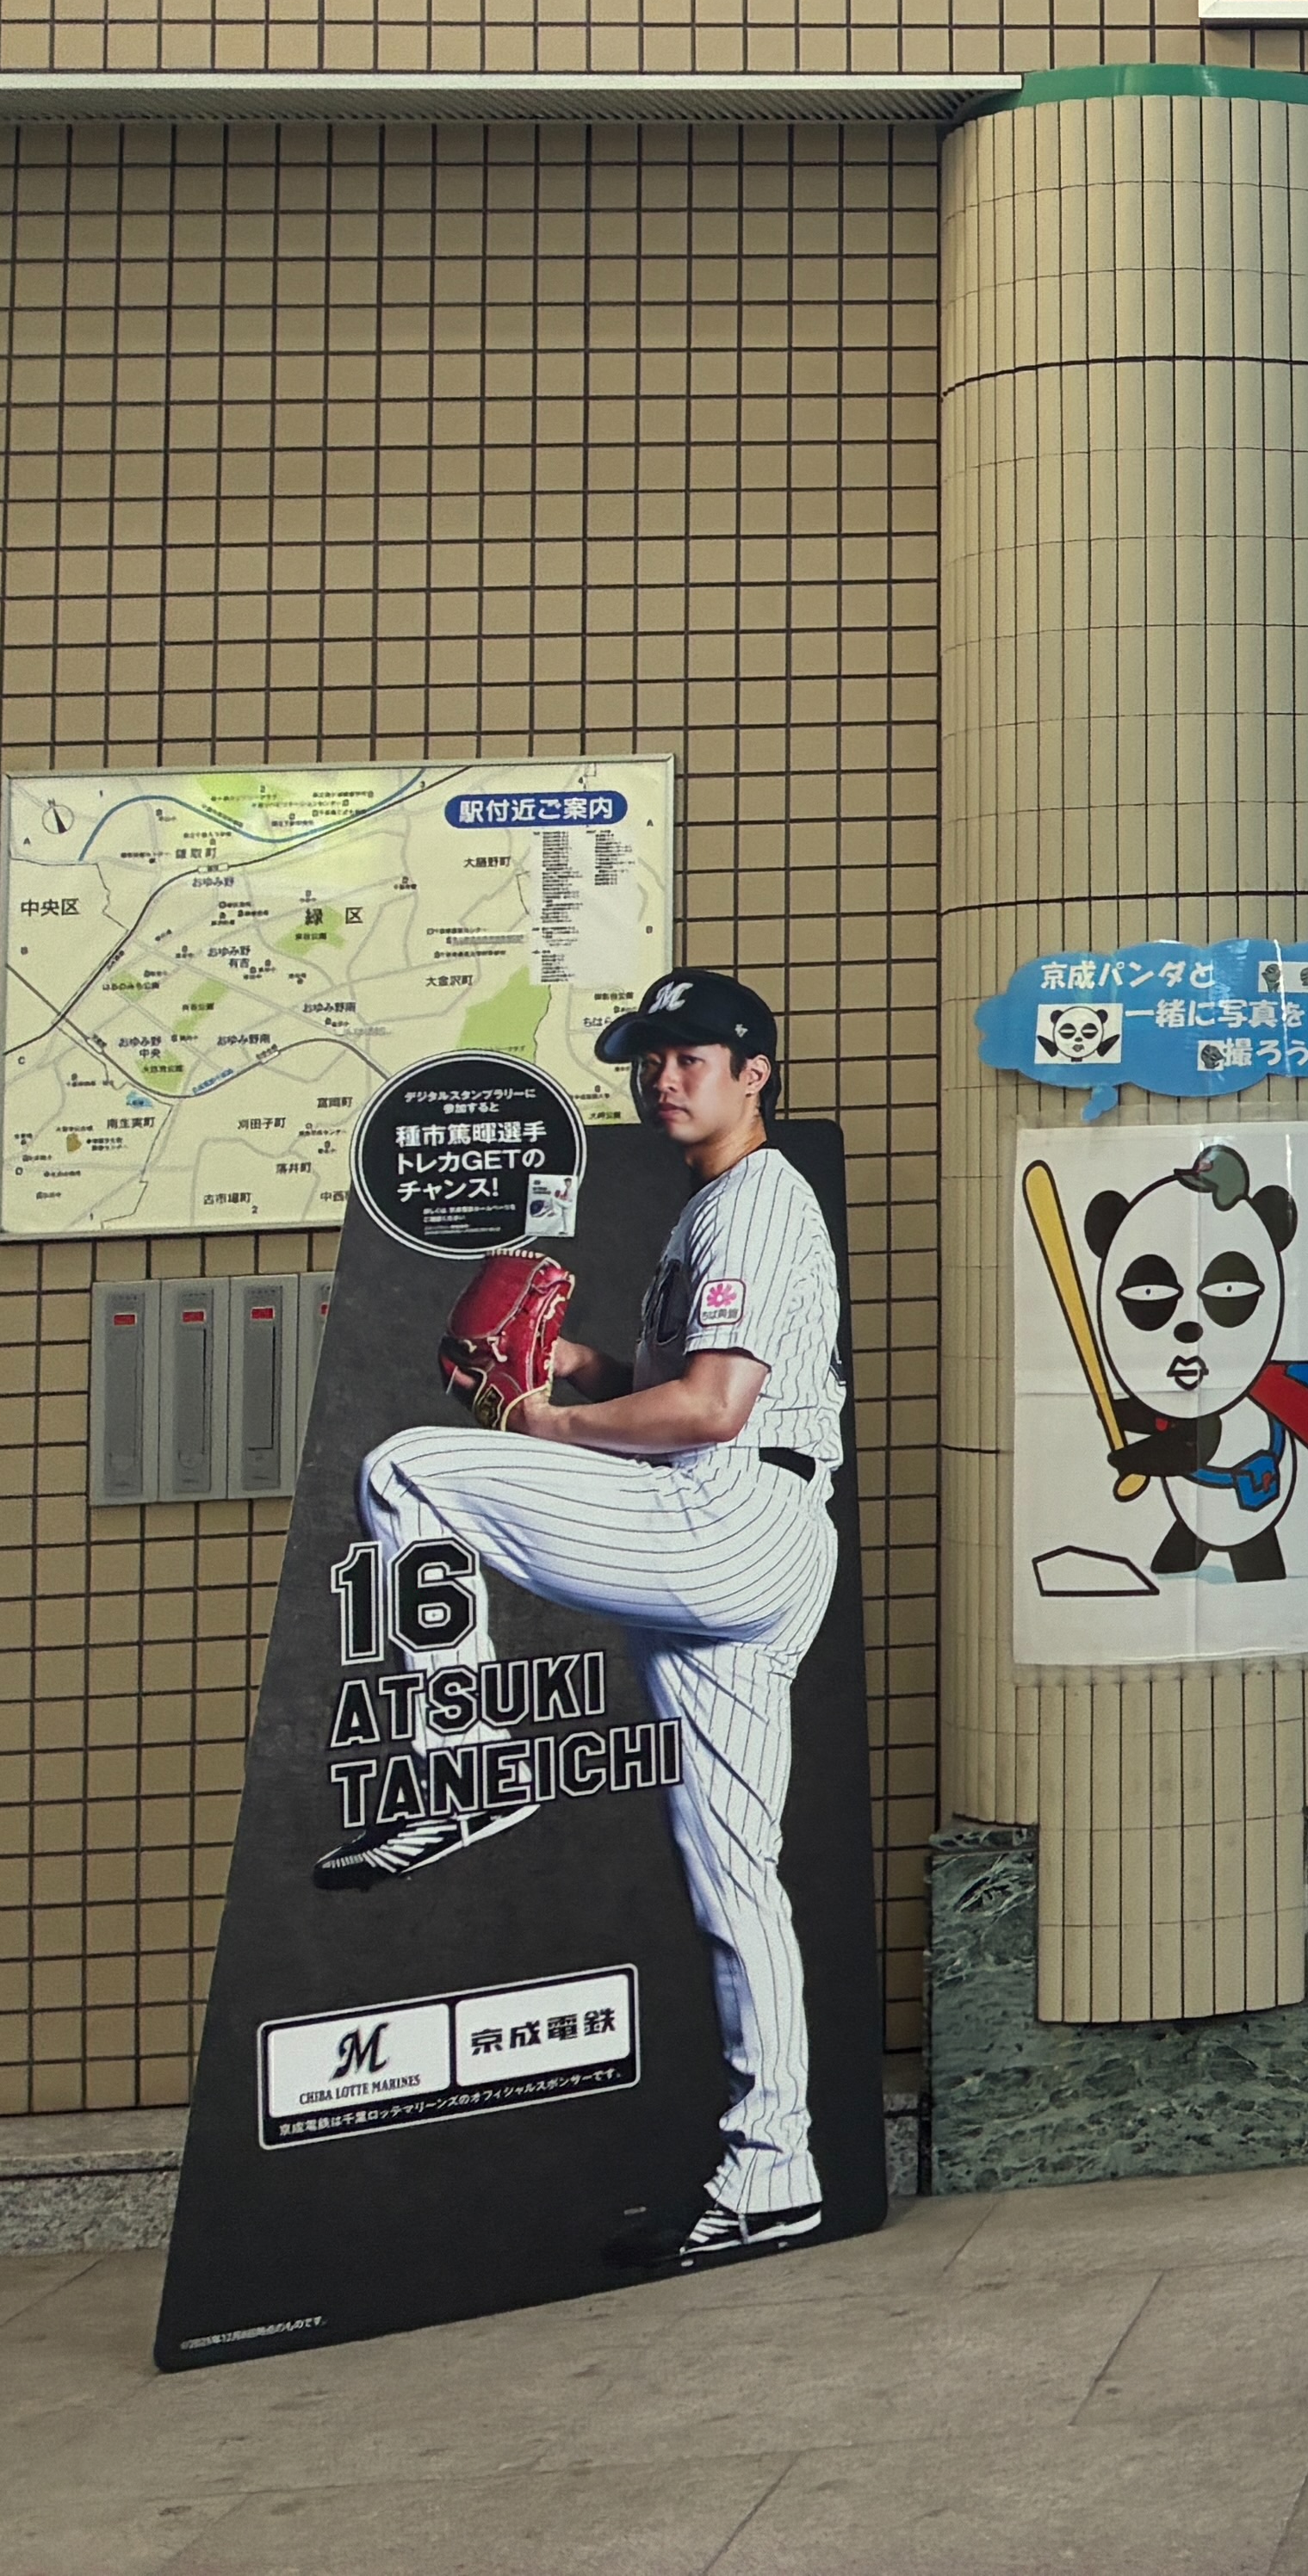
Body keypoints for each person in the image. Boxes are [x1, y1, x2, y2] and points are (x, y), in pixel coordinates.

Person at [319, 969, 845, 2276]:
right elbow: (680, 1387)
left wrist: (545, 1423)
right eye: (649, 1057)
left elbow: (710, 1412)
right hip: (765, 1527)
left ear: (755, 1073)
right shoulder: (720, 1206)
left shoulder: (755, 1202)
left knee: (408, 1471)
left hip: (727, 1516)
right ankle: (775, 2173)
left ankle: (466, 1761)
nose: (665, 1077)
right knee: (738, 1881)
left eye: (692, 1056)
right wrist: (582, 1371)